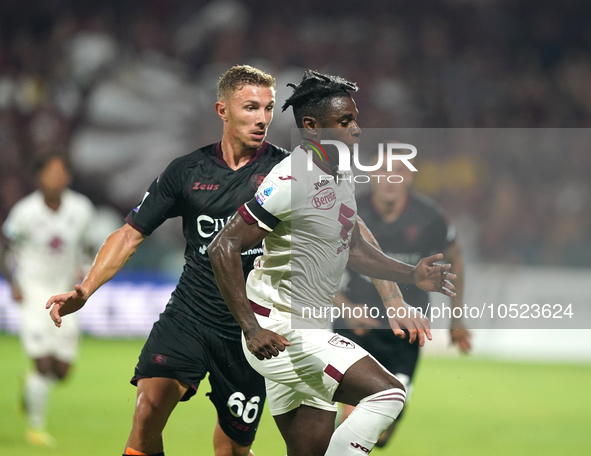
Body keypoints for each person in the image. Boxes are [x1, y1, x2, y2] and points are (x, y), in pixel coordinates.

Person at [208, 70, 457, 456]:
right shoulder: (292, 179)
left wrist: (410, 275)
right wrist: (251, 327)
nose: (356, 129)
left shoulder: (338, 173)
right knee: (389, 394)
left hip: (307, 326)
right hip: (279, 332)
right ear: (311, 126)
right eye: (344, 121)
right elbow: (223, 247)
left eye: (355, 119)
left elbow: (354, 246)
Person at [46, 65, 289, 456]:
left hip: (252, 329)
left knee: (232, 449)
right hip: (189, 316)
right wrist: (86, 289)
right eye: (250, 107)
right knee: (147, 410)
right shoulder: (186, 171)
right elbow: (129, 234)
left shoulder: (287, 172)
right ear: (222, 110)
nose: (262, 118)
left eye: (268, 108)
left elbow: (341, 230)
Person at [334, 156, 471, 448]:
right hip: (356, 325)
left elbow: (455, 259)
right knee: (353, 418)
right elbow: (317, 265)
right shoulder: (349, 211)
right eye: (383, 171)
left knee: (380, 432)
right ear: (370, 176)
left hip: (407, 330)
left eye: (398, 171)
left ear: (409, 178)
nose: (390, 178)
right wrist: (345, 307)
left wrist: (456, 317)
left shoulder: (429, 217)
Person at [0, 152, 96, 447]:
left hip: (66, 292)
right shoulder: (25, 212)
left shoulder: (81, 209)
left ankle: (30, 387)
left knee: (62, 371)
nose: (55, 178)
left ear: (67, 176)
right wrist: (14, 282)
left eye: (60, 172)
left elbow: (89, 244)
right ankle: (36, 428)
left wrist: (85, 270)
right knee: (42, 363)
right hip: (33, 291)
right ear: (40, 176)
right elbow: (6, 246)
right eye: (49, 172)